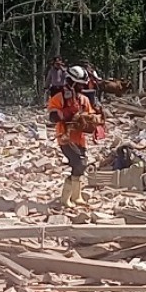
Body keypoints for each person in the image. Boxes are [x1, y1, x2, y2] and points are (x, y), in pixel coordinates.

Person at [47, 66, 96, 208]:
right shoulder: (59, 98)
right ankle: (66, 198)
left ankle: (76, 196)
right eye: (80, 84)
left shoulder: (84, 100)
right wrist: (67, 113)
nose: (82, 87)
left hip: (79, 139)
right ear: (71, 82)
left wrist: (91, 122)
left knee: (81, 165)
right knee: (79, 163)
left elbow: (90, 116)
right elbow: (52, 116)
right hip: (65, 137)